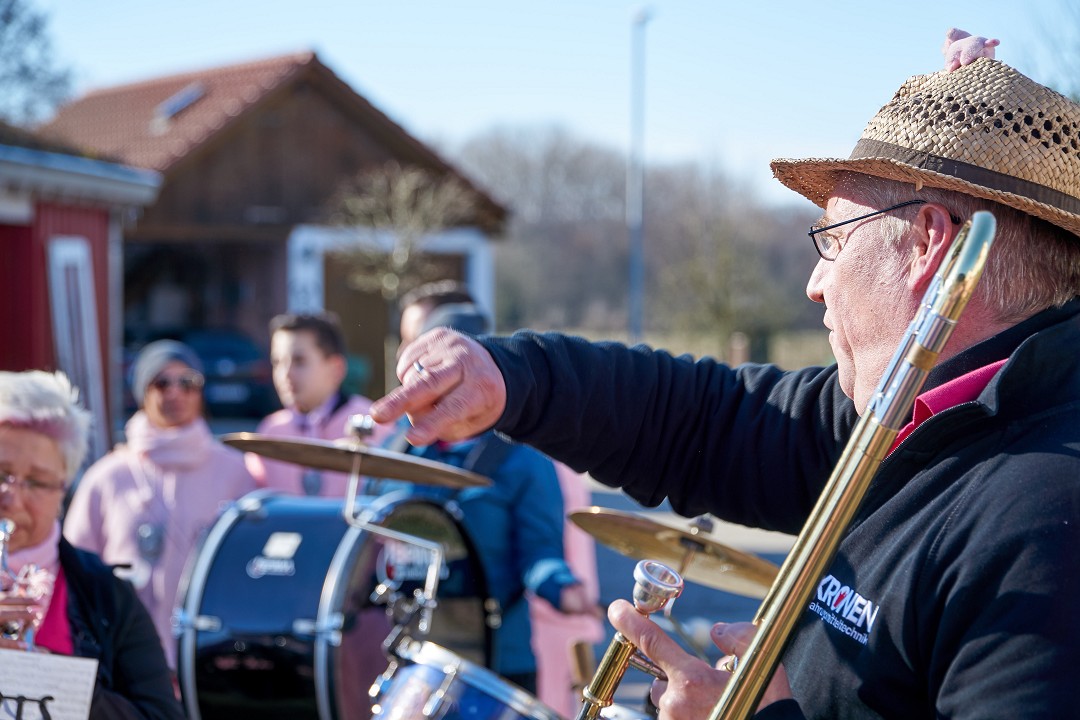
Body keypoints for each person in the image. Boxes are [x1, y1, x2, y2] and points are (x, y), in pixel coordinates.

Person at [370, 45, 1080, 719]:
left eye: (834, 240)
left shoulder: (1046, 521)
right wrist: (512, 377)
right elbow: (704, 418)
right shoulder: (914, 413)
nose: (817, 283)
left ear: (927, 244)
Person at [399, 286, 605, 713]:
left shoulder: (523, 458)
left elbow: (540, 554)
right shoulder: (401, 449)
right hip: (415, 656)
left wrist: (563, 588)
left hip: (497, 660)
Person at [0, 370, 184, 719]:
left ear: (62, 492)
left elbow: (161, 715)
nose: (11, 498)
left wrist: (53, 680)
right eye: (0, 474)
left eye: (36, 482)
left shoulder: (106, 593)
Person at [65, 340, 256, 670]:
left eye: (188, 382)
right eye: (161, 382)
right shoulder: (107, 476)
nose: (175, 392)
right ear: (142, 392)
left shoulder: (236, 471)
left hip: (208, 655)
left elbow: (249, 567)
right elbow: (75, 569)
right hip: (123, 655)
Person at [246, 312, 393, 496]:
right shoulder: (270, 431)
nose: (285, 374)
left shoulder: (372, 423)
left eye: (299, 361)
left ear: (336, 368)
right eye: (277, 362)